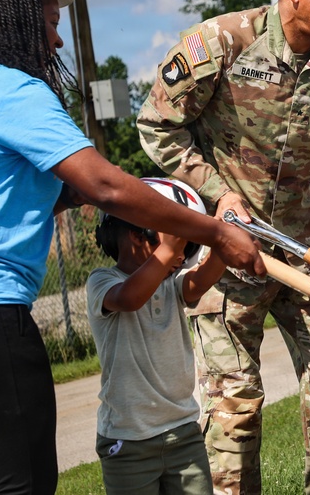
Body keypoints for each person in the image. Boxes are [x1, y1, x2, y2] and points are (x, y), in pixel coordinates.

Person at [0, 0, 264, 495]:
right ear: (14, 14)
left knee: (0, 483)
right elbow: (105, 186)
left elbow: (4, 199)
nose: (58, 38)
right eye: (50, 21)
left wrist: (74, 195)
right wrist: (216, 230)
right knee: (26, 485)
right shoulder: (13, 89)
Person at [136, 0, 310, 495]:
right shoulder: (222, 42)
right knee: (234, 411)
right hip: (225, 253)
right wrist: (218, 199)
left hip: (303, 250)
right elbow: (158, 127)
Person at [86, 178, 222, 495]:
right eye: (180, 246)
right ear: (139, 233)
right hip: (127, 440)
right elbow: (130, 298)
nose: (182, 257)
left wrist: (223, 245)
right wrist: (168, 250)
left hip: (183, 433)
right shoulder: (102, 281)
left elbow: (198, 282)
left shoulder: (169, 283)